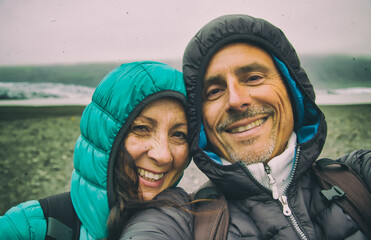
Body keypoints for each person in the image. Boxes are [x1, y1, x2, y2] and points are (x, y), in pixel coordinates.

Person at [120, 15, 371, 239]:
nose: (236, 100)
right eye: (215, 90)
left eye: (253, 78)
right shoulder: (181, 218)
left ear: (292, 89)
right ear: (202, 122)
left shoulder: (358, 176)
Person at [0, 61, 191, 239]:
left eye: (179, 134)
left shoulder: (198, 227)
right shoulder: (30, 227)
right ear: (104, 137)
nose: (163, 155)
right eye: (141, 128)